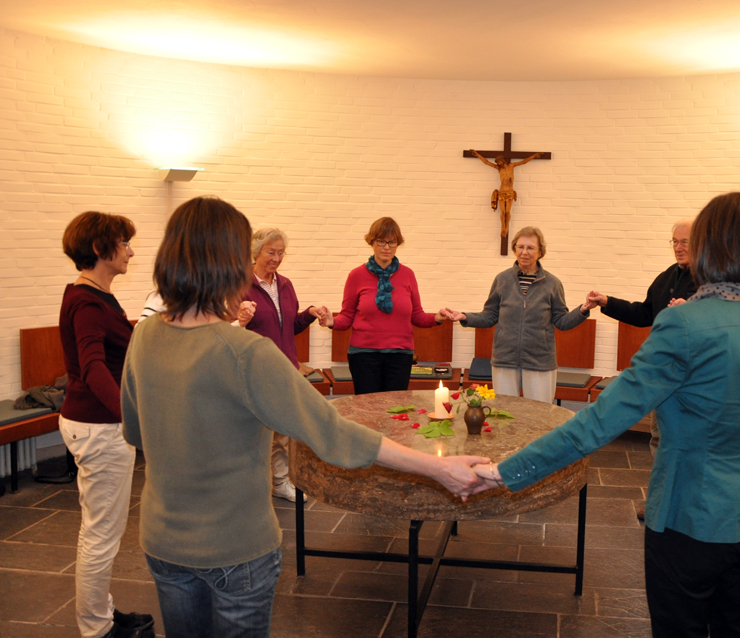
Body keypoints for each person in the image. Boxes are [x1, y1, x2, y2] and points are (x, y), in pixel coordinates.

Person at [121, 196, 489, 638]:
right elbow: (332, 433)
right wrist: (439, 467)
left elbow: (136, 430)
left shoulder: (143, 336)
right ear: (231, 262)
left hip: (162, 541)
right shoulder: (244, 352)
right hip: (234, 547)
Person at [472, 193, 740, 638]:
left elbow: (600, 423)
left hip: (690, 518)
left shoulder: (685, 324)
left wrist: (505, 471)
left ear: (706, 250)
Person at [59, 212, 154, 638]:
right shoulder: (86, 301)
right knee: (101, 534)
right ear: (101, 249)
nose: (131, 251)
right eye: (124, 243)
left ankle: (102, 613)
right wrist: (130, 417)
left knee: (103, 530)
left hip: (94, 424)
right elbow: (94, 368)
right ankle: (97, 628)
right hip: (98, 427)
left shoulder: (96, 296)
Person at [583, 218, 698, 520]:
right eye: (674, 241)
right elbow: (643, 313)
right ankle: (662, 498)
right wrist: (607, 302)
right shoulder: (666, 278)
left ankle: (683, 503)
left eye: (685, 241)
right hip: (664, 373)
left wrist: (693, 309)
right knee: (660, 438)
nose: (678, 247)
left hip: (694, 379)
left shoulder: (712, 282)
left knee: (688, 442)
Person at [444, 226, 589, 404]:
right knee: (505, 415)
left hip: (539, 361)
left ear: (540, 251)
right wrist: (465, 317)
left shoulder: (552, 283)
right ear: (514, 249)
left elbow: (561, 321)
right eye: (520, 247)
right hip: (505, 359)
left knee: (539, 417)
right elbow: (490, 316)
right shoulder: (502, 280)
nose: (524, 252)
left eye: (530, 248)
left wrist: (582, 310)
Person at [240, 228, 330, 501]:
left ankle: (279, 482)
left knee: (281, 433)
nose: (277, 258)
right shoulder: (239, 285)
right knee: (254, 433)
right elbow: (229, 330)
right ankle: (248, 487)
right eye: (271, 252)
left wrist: (309, 314)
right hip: (255, 370)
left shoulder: (285, 285)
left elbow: (289, 327)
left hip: (286, 367)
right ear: (256, 252)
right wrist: (241, 319)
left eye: (281, 253)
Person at [323, 217, 447, 395]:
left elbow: (417, 315)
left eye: (392, 242)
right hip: (363, 355)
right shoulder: (356, 275)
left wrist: (437, 318)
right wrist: (332, 322)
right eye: (381, 241)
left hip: (400, 356)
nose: (387, 247)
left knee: (395, 411)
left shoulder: (408, 275)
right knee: (367, 411)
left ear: (398, 244)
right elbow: (347, 317)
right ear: (372, 242)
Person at [469, 150, 541, 244]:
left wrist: (534, 155)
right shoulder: (499, 168)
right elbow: (486, 162)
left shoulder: (512, 166)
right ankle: (503, 227)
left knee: (507, 212)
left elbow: (524, 161)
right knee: (503, 212)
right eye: (497, 163)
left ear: (503, 160)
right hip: (502, 192)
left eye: (499, 162)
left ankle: (507, 226)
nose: (498, 163)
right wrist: (477, 154)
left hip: (510, 192)